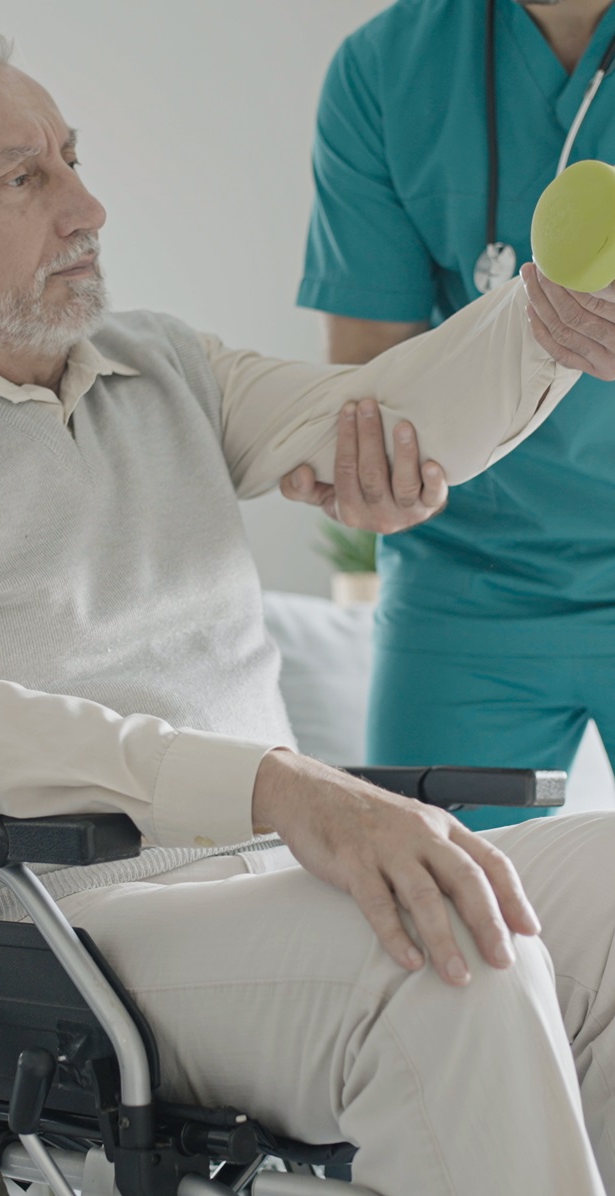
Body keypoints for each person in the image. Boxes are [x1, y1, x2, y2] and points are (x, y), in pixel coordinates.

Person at [0, 27, 615, 1195]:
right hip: (75, 924)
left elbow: (382, 418)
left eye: (72, 159)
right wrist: (275, 783)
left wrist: (544, 320)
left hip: (275, 874)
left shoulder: (162, 367)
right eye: (24, 178)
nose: (87, 206)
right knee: (448, 956)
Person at [286, 0, 615, 832]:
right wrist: (371, 470)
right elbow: (370, 374)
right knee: (434, 921)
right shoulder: (386, 68)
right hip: (468, 580)